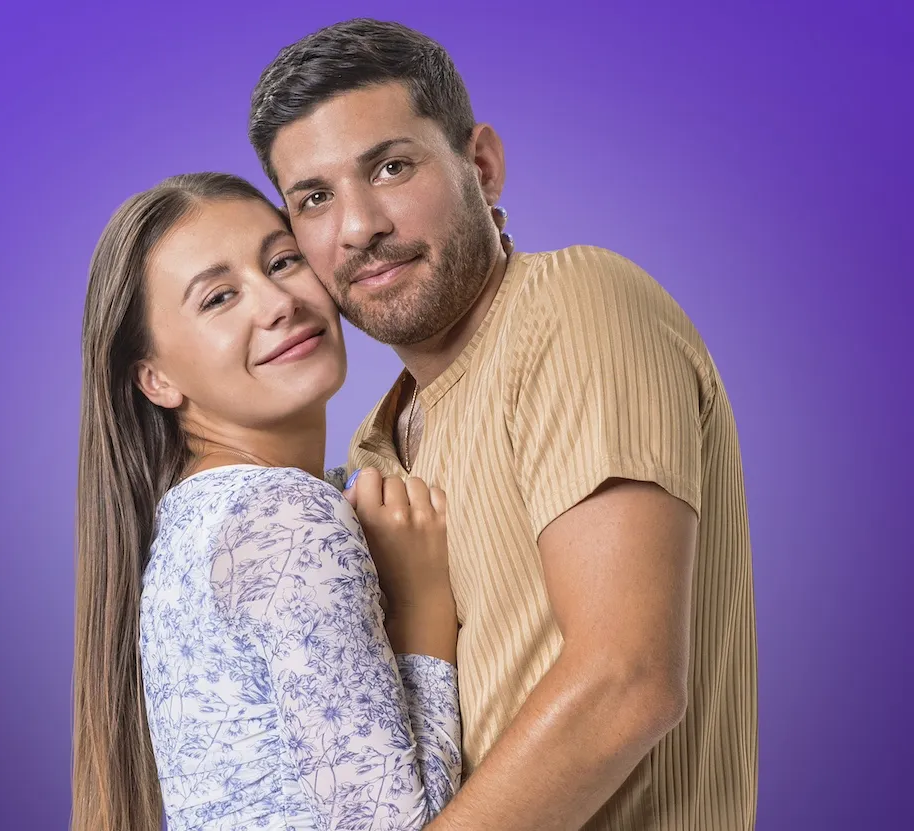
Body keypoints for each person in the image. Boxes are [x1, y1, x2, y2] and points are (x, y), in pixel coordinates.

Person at [249, 18, 758, 830]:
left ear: (479, 165)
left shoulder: (573, 305)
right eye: (315, 197)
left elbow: (625, 683)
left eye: (390, 166)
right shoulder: (372, 456)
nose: (358, 225)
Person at [71, 172, 466, 831]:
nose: (277, 302)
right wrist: (426, 608)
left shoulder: (193, 520)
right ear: (156, 377)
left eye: (283, 261)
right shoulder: (282, 518)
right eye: (220, 297)